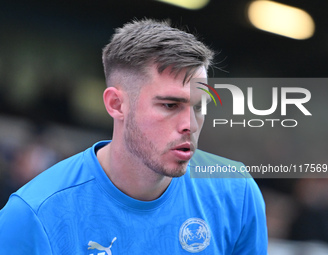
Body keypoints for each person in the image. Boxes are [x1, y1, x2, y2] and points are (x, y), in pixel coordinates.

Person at [0, 19, 267, 254]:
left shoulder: (236, 192)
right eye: (170, 105)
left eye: (198, 106)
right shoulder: (33, 215)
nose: (190, 125)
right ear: (116, 104)